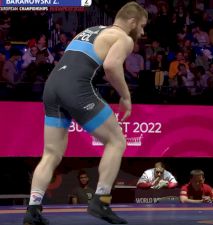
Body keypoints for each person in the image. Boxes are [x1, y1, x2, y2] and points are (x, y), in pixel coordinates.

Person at [22, 2, 148, 225]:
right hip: (75, 87)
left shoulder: (90, 30)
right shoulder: (123, 38)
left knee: (51, 154)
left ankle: (32, 210)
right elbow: (111, 66)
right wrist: (126, 97)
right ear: (132, 22)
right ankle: (101, 201)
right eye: (142, 26)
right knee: (116, 141)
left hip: (51, 87)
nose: (142, 32)